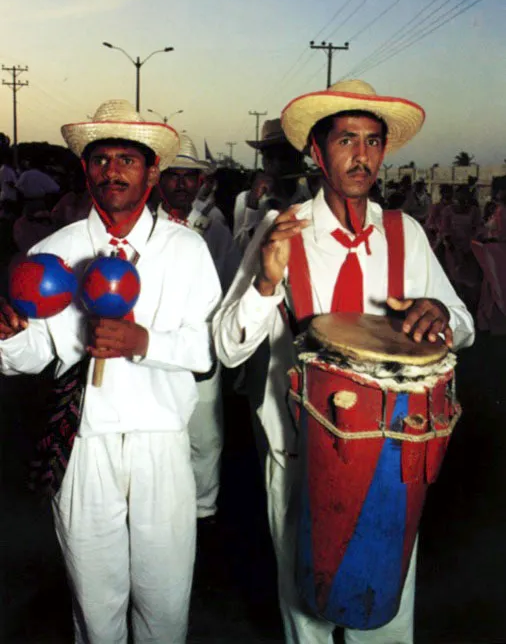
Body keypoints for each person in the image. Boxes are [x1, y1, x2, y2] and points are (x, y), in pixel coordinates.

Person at [213, 79, 475, 644]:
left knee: (386, 612)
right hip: (298, 452)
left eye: (374, 142)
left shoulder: (406, 233)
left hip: (393, 458)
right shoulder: (280, 231)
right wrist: (265, 281)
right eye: (346, 140)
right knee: (305, 614)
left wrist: (441, 316)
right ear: (317, 151)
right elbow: (227, 346)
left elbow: (464, 321)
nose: (362, 156)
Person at [0, 100, 222, 644]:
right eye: (101, 160)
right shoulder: (55, 250)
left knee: (164, 603)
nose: (112, 171)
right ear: (86, 171)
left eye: (127, 159)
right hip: (85, 445)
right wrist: (7, 336)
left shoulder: (186, 249)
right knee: (95, 605)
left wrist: (143, 341)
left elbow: (207, 348)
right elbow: (34, 355)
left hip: (161, 446)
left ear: (151, 172)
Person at [158, 133, 241, 524]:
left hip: (200, 346)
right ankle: (164, 509)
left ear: (199, 182)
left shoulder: (216, 230)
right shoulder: (144, 226)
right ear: (157, 178)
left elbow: (229, 290)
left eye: (188, 176)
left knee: (204, 434)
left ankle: (203, 508)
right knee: (159, 433)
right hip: (154, 347)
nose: (179, 183)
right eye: (171, 174)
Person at [233, 119, 310, 252]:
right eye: (269, 157)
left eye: (285, 157)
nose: (276, 165)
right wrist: (252, 206)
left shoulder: (310, 199)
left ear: (300, 161)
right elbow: (241, 250)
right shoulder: (246, 200)